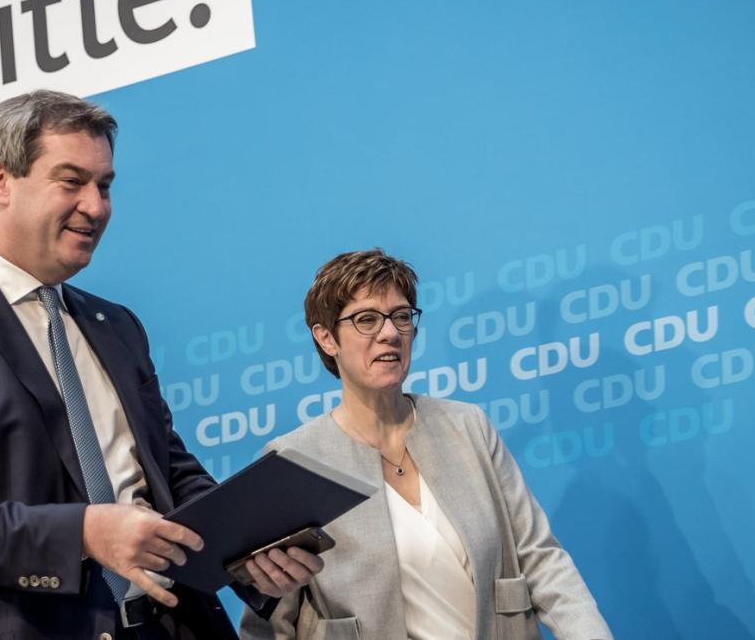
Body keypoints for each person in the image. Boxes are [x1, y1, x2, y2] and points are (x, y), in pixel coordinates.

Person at [0, 90, 320, 640]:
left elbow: (168, 473)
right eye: (71, 181)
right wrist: (84, 534)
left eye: (105, 185)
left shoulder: (114, 325)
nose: (96, 206)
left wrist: (247, 551)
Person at [240, 249, 611, 640]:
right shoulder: (294, 461)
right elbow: (268, 622)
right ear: (327, 338)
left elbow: (541, 559)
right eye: (367, 319)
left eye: (401, 316)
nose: (390, 333)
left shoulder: (467, 427)